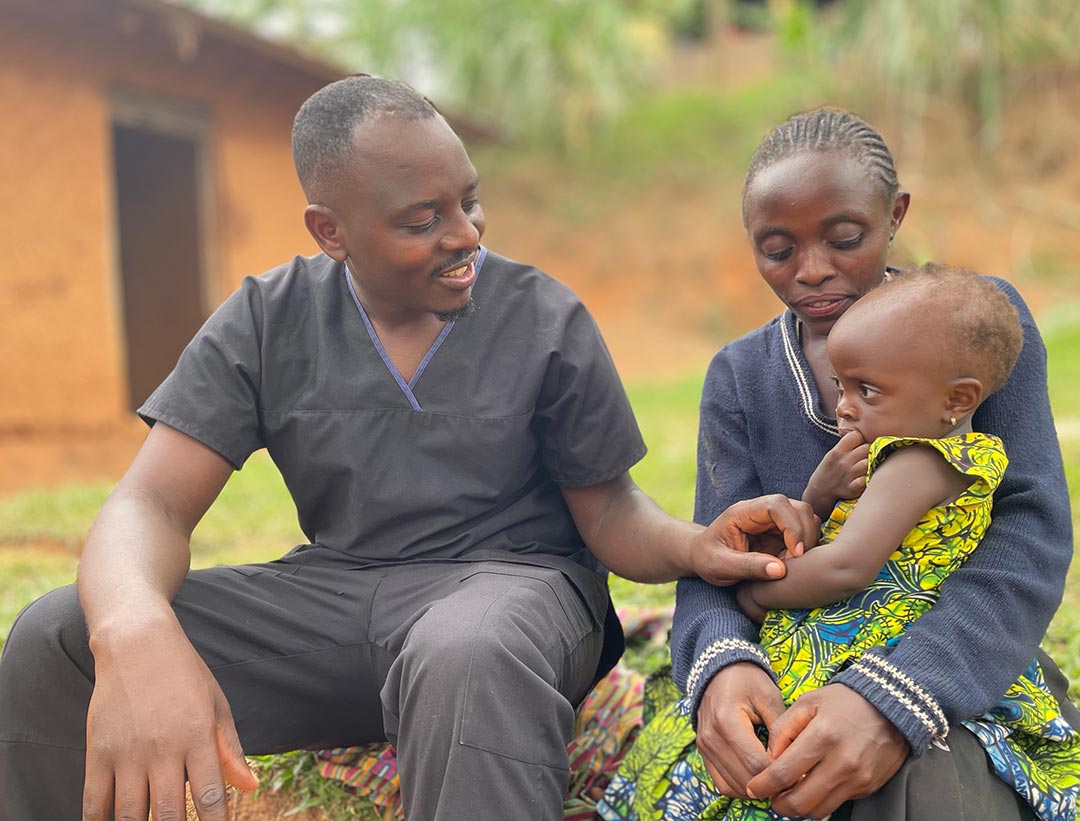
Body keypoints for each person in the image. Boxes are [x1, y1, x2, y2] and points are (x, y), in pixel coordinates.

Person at [0, 76, 818, 821]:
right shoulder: (268, 319)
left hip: (514, 592)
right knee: (60, 633)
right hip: (339, 598)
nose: (464, 235)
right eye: (421, 220)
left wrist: (693, 544)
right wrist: (137, 628)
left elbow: (608, 510)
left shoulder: (540, 317)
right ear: (332, 231)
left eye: (469, 200)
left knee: (465, 651)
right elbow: (150, 502)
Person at [599, 107, 1078, 821]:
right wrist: (726, 665)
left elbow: (1027, 539)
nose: (812, 270)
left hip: (953, 657)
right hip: (788, 668)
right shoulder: (740, 378)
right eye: (776, 249)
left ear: (895, 216)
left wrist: (892, 696)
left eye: (844, 238)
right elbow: (714, 565)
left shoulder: (973, 328)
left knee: (922, 792)